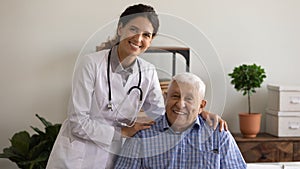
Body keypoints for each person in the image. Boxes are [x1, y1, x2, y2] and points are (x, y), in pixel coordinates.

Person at [46, 4, 226, 169]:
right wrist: (122, 131)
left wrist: (200, 113)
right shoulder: (90, 64)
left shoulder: (148, 72)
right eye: (133, 29)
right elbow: (78, 121)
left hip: (110, 157)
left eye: (146, 34)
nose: (138, 38)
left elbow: (163, 113)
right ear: (120, 29)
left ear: (151, 39)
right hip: (75, 156)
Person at [115, 72, 246, 169]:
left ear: (201, 106)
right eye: (175, 96)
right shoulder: (142, 137)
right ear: (165, 98)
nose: (180, 104)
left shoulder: (219, 135)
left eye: (189, 99)